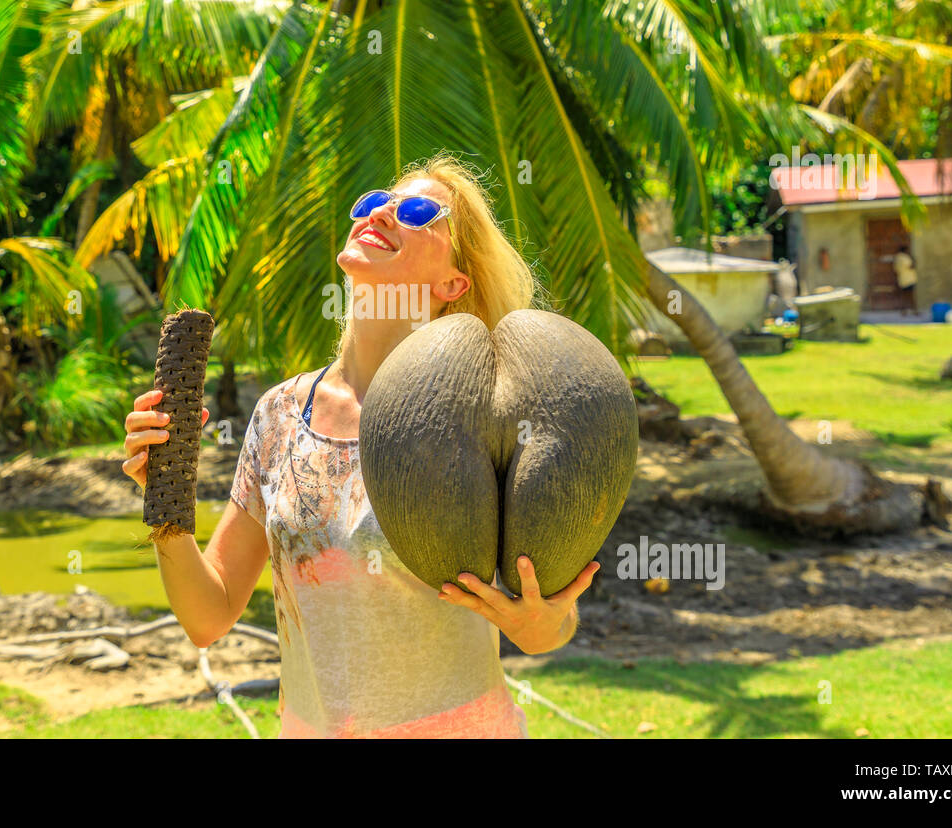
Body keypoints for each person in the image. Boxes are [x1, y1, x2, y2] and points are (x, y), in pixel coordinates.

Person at [121, 153, 600, 738]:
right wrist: (164, 503)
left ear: (454, 283)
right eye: (373, 201)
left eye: (420, 211)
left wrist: (538, 619)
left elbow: (548, 625)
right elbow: (208, 615)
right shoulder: (279, 414)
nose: (385, 212)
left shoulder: (486, 416)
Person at [894, 244, 918, 317]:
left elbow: (895, 269)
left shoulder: (897, 258)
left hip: (902, 279)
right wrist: (912, 259)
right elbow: (911, 265)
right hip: (909, 279)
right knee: (911, 296)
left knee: (903, 296)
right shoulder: (905, 257)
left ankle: (904, 311)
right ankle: (914, 311)